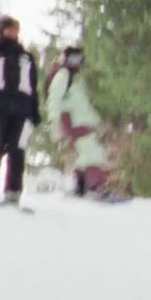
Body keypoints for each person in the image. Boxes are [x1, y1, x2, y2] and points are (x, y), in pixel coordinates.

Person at [0, 15, 41, 206]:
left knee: (17, 150)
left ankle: (13, 189)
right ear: (2, 30)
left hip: (21, 110)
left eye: (16, 30)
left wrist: (34, 111)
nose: (14, 33)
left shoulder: (26, 58)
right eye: (10, 29)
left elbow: (32, 87)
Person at [45, 45, 111, 198]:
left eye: (79, 59)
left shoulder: (75, 79)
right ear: (65, 58)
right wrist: (54, 121)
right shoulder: (63, 75)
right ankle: (98, 188)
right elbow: (54, 99)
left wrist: (97, 122)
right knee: (93, 153)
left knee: (85, 153)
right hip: (73, 120)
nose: (76, 63)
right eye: (73, 58)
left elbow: (83, 105)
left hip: (82, 120)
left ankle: (80, 188)